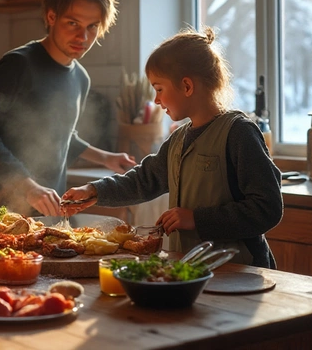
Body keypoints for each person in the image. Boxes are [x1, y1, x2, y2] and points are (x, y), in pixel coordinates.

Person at [62, 26, 283, 268]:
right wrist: (93, 190)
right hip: (193, 271)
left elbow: (267, 208)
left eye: (159, 89)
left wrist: (196, 219)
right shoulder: (178, 139)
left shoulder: (239, 132)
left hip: (241, 274)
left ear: (187, 86)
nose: (156, 100)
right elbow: (142, 181)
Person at [0, 0, 137, 217]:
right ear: (51, 17)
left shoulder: (80, 79)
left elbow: (59, 136)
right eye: (73, 23)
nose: (82, 37)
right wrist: (26, 186)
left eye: (92, 27)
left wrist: (105, 158)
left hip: (42, 214)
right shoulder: (19, 65)